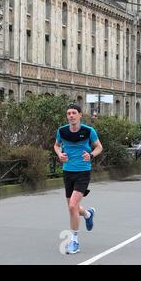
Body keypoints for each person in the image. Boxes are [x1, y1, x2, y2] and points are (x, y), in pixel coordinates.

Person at [54, 104, 103, 254]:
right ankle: (88, 214)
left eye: (74, 113)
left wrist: (91, 155)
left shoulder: (89, 131)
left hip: (83, 172)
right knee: (72, 206)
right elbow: (56, 145)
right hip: (68, 171)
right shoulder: (62, 131)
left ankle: (74, 241)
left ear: (80, 115)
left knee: (72, 206)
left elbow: (99, 147)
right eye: (68, 113)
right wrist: (59, 154)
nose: (71, 116)